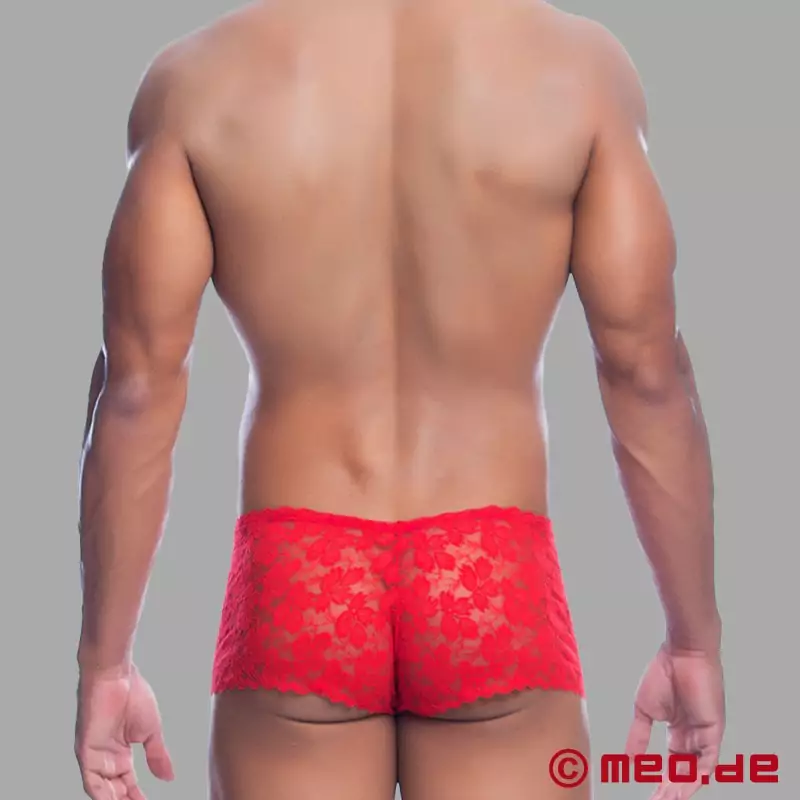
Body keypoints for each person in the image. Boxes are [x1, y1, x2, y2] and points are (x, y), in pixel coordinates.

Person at [73, 1, 725, 799]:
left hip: (300, 574)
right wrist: (693, 643)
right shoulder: (580, 71)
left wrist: (104, 663)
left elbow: (135, 395)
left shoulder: (197, 82)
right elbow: (647, 377)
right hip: (490, 570)